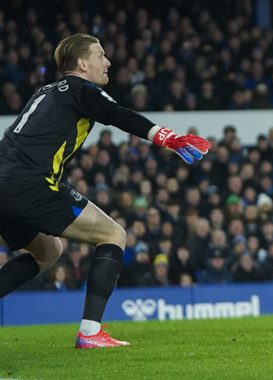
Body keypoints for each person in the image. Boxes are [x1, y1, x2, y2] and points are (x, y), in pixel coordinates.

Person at [0, 33, 211, 348]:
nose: (108, 61)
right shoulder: (81, 88)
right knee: (113, 235)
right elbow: (117, 114)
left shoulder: (45, 92)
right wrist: (166, 137)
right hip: (29, 184)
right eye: (100, 55)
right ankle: (90, 332)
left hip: (5, 183)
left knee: (49, 252)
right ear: (82, 64)